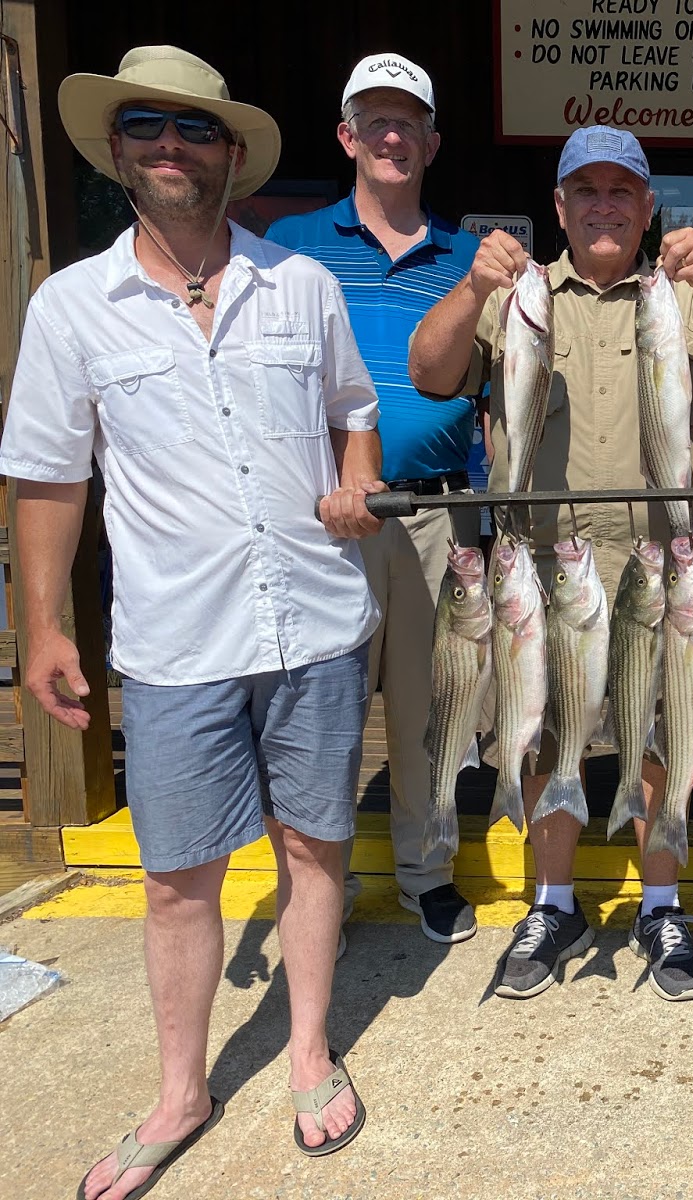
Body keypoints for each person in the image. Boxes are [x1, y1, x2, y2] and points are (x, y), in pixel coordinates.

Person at [5, 46, 388, 1198]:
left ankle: (309, 1049)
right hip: (174, 642)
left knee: (315, 843)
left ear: (231, 155)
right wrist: (39, 627)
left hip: (317, 620)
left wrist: (355, 484)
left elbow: (353, 415)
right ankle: (182, 1088)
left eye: (194, 130)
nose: (170, 146)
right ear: (116, 152)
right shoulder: (70, 305)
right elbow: (47, 479)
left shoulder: (302, 286)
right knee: (178, 875)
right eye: (146, 128)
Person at [410, 125, 693, 1003]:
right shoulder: (520, 295)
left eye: (623, 192)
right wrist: (471, 285)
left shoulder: (681, 297)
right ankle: (555, 899)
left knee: (663, 727)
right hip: (549, 558)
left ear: (649, 208)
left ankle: (660, 902)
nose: (605, 206)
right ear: (560, 208)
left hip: (662, 560)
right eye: (587, 191)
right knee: (544, 728)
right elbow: (430, 371)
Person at [266, 53, 482, 946]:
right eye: (375, 120)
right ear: (347, 137)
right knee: (323, 713)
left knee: (432, 708)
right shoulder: (292, 250)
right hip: (329, 518)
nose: (393, 136)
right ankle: (325, 884)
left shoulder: (471, 257)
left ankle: (426, 870)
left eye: (410, 122)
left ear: (431, 142)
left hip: (438, 513)